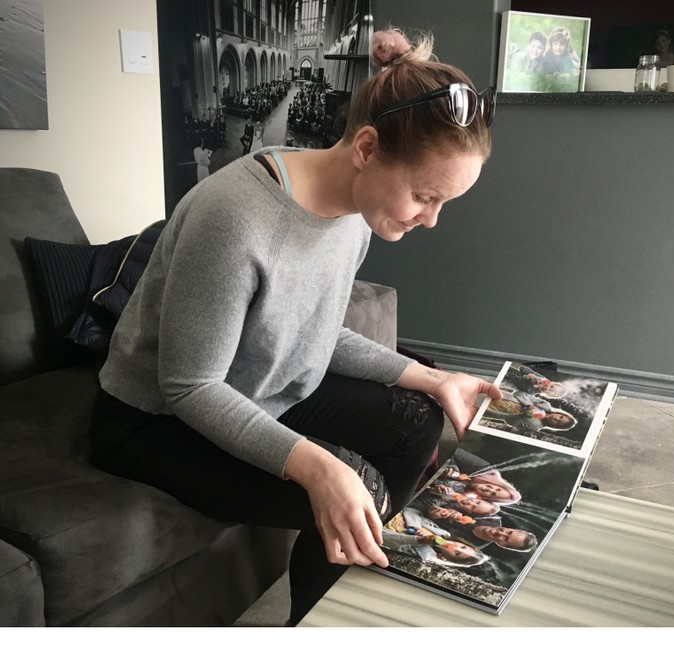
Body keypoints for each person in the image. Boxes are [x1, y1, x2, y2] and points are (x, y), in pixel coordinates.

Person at [89, 27, 501, 627]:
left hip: (263, 387)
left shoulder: (360, 211)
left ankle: (346, 596)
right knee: (353, 489)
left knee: (418, 422)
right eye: (423, 196)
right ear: (365, 147)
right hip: (154, 420)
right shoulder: (233, 217)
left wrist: (433, 381)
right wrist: (318, 465)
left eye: (444, 204)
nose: (430, 220)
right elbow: (190, 387)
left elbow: (316, 331)